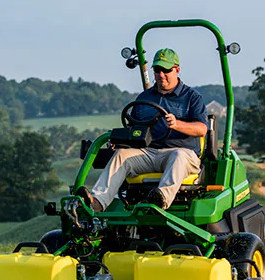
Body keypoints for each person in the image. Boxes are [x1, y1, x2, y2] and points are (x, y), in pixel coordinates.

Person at [76, 48, 208, 211]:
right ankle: (97, 202)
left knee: (178, 156)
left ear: (177, 69)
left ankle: (160, 200)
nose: (161, 75)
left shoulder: (192, 97)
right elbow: (135, 129)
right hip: (150, 153)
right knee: (121, 155)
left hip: (183, 153)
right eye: (157, 70)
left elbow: (202, 129)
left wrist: (177, 124)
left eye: (166, 70)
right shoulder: (145, 98)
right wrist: (122, 143)